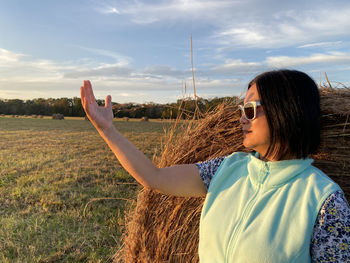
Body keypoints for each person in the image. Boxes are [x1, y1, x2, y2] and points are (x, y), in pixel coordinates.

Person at [80, 69, 350, 262]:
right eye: (240, 110)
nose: (241, 120)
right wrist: (108, 131)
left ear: (285, 111)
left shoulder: (324, 202)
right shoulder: (226, 169)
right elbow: (155, 176)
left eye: (250, 110)